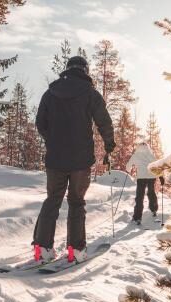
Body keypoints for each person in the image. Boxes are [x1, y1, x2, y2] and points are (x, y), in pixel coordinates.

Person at [33, 56, 115, 263]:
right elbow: (103, 121)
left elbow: (40, 123)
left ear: (67, 69)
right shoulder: (90, 93)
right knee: (76, 202)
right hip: (80, 160)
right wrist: (109, 144)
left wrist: (52, 140)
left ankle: (42, 248)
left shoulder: (50, 93)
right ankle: (76, 250)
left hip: (55, 159)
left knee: (52, 200)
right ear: (85, 71)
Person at [126, 142, 158, 225]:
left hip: (141, 178)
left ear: (138, 147)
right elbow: (157, 166)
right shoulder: (151, 155)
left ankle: (137, 217)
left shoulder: (136, 155)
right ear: (148, 147)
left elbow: (128, 167)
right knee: (151, 192)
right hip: (151, 177)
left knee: (140, 196)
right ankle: (154, 209)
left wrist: (129, 169)